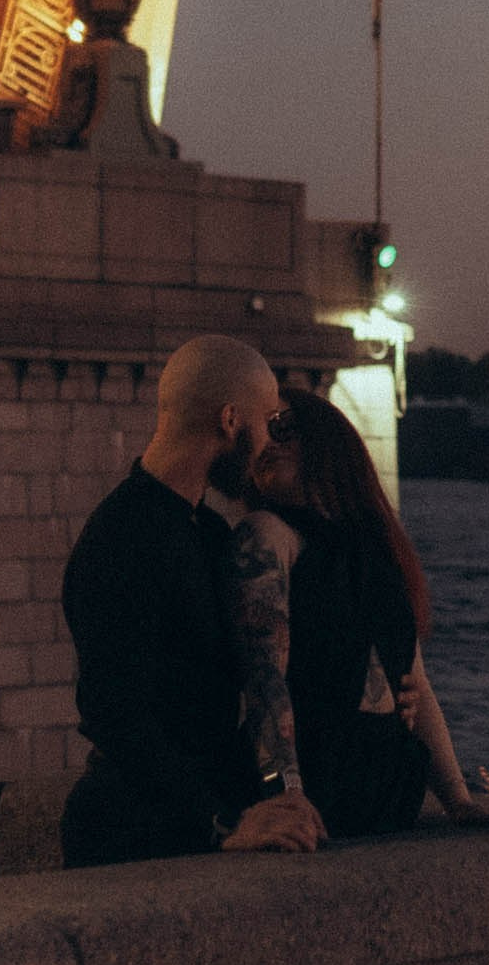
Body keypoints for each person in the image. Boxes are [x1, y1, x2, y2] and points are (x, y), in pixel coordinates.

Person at [59, 334, 326, 867]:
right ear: (230, 421)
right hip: (133, 839)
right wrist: (221, 823)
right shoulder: (121, 535)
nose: (268, 446)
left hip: (186, 826)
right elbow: (114, 713)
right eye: (268, 424)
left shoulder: (205, 530)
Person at [234, 386, 489, 836]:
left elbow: (414, 682)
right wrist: (286, 794)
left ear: (328, 441)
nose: (268, 445)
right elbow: (264, 677)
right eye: (256, 435)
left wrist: (459, 801)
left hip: (388, 790)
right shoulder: (267, 534)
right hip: (321, 789)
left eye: (283, 428)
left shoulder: (374, 550)